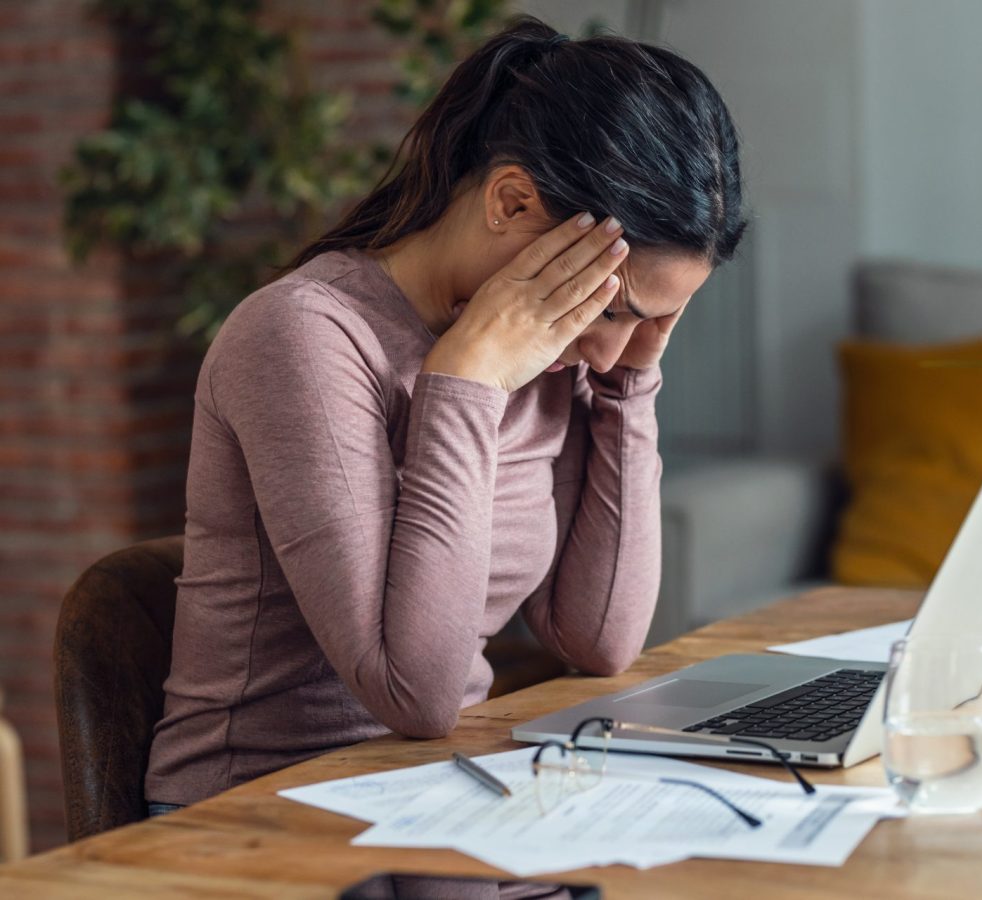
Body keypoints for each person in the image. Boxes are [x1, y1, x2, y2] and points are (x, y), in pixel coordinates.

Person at [144, 15, 746, 811]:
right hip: (263, 816)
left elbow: (596, 636)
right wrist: (465, 378)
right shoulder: (303, 335)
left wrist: (632, 385)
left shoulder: (553, 345)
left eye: (649, 320)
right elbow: (415, 694)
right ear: (511, 200)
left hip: (443, 799)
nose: (605, 351)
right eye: (614, 309)